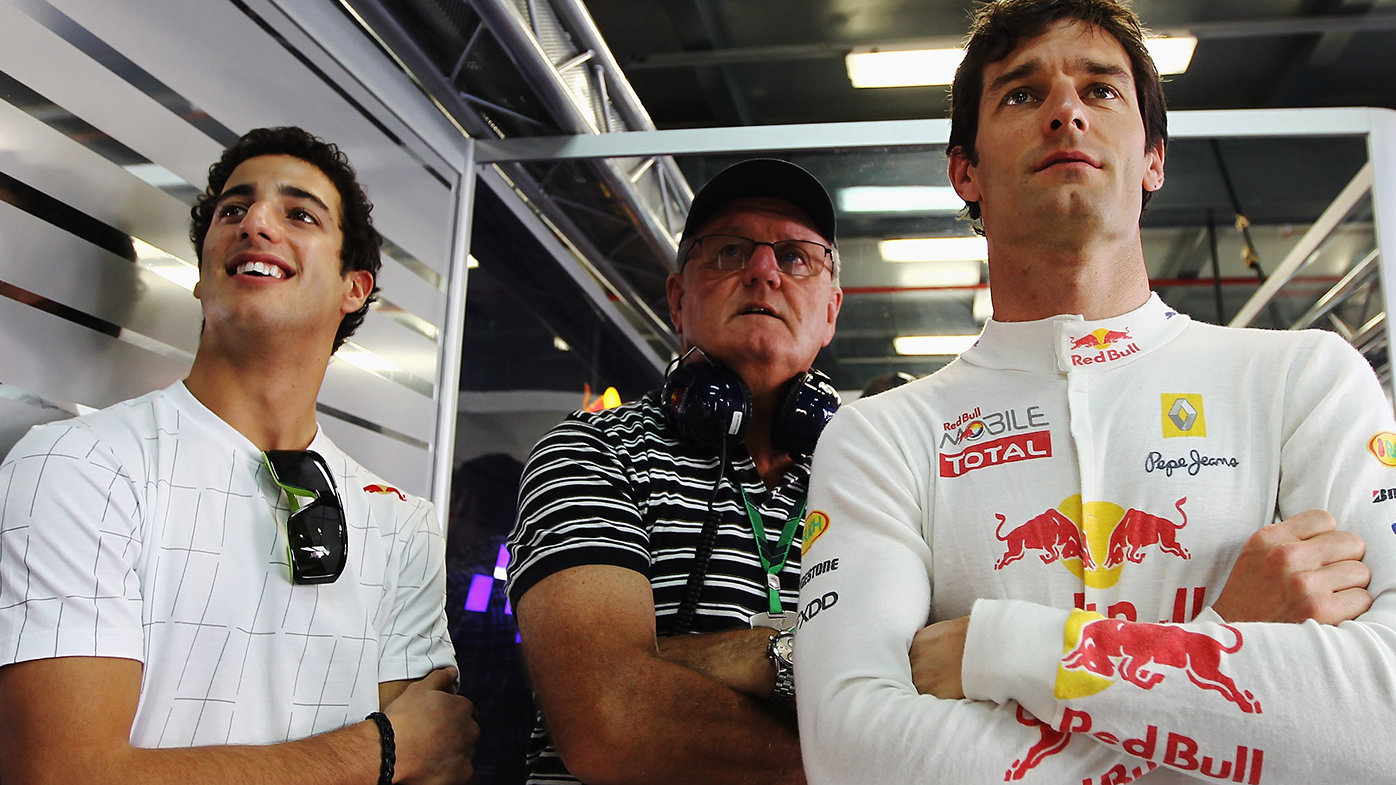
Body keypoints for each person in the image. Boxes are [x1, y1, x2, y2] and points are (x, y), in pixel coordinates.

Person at [796, 1, 1396, 783]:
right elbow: (856, 759)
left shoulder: (1306, 381)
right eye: (1020, 94)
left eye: (1102, 90)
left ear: (1153, 157)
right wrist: (1225, 644)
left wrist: (999, 649)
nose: (1066, 112)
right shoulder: (880, 436)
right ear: (964, 170)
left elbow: (1382, 721)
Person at [0, 126, 477, 785]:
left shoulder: (400, 524)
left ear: (354, 288)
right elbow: (65, 771)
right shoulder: (77, 463)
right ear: (201, 275)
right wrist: (381, 752)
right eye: (234, 208)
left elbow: (438, 760)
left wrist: (409, 752)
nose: (255, 222)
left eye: (299, 213)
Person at [506, 159, 843, 785]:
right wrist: (823, 686)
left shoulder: (872, 478)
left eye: (797, 257)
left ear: (831, 312)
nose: (764, 271)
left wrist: (672, 664)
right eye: (729, 251)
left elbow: (928, 687)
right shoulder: (593, 450)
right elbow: (610, 719)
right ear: (678, 299)